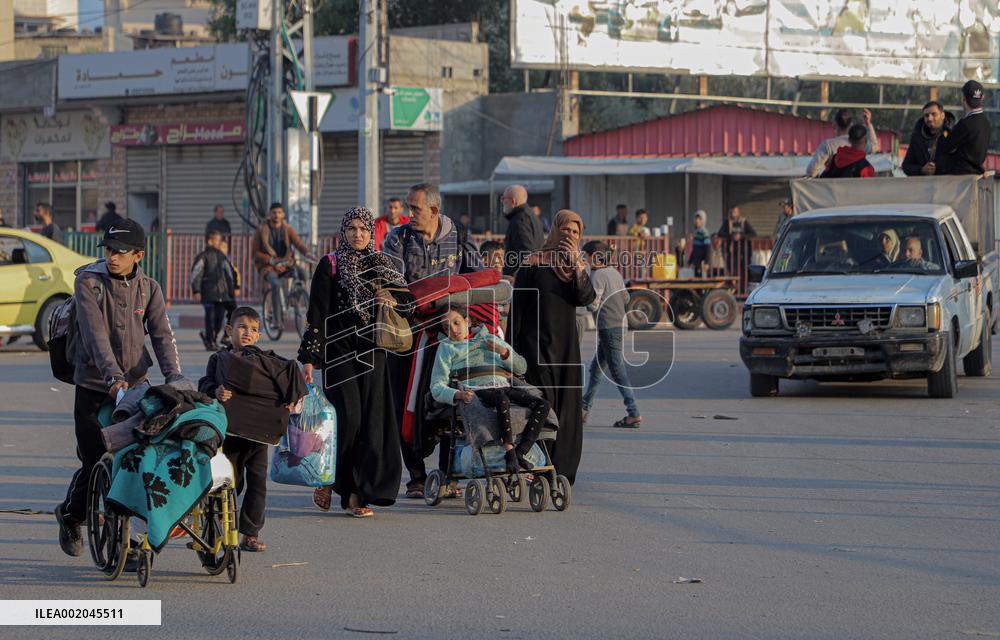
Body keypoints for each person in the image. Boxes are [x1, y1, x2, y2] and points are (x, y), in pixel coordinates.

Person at [55, 218, 183, 559]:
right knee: (95, 458)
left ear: (138, 254)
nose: (112, 257)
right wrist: (113, 380)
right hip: (94, 386)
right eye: (109, 250)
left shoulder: (149, 288)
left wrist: (176, 379)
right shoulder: (89, 283)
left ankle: (122, 543)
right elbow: (96, 337)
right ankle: (70, 515)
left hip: (136, 387)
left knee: (132, 462)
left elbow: (162, 337)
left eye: (121, 252)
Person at [299, 207, 414, 517]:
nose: (358, 233)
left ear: (371, 233)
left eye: (363, 228)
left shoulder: (383, 265)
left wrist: (389, 298)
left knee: (370, 422)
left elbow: (409, 303)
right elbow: (317, 314)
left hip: (373, 352)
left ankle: (356, 496)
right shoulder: (330, 265)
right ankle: (330, 479)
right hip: (339, 353)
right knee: (347, 419)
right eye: (351, 228)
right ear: (343, 231)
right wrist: (309, 358)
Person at [382, 183, 481, 499]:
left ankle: (449, 474)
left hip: (448, 337)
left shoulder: (460, 237)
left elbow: (477, 278)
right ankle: (416, 477)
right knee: (405, 403)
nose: (408, 214)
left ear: (435, 211)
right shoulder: (397, 238)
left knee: (449, 403)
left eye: (415, 208)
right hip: (406, 337)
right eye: (408, 207)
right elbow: (394, 282)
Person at [198, 306, 306, 552]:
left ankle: (250, 533)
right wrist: (215, 391)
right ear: (229, 331)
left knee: (258, 483)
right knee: (231, 481)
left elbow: (289, 380)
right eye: (242, 327)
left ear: (259, 336)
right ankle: (218, 525)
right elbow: (204, 384)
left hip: (259, 436)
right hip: (230, 434)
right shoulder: (218, 359)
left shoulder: (268, 361)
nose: (247, 333)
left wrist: (291, 399)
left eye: (253, 330)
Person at [510, 210, 596, 485]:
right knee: (543, 409)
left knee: (568, 411)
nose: (569, 236)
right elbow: (518, 311)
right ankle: (539, 468)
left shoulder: (575, 268)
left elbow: (585, 298)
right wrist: (511, 352)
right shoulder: (533, 263)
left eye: (575, 232)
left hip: (566, 351)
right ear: (555, 230)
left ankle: (562, 473)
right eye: (565, 230)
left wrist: (578, 267)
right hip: (535, 350)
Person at [431, 306, 550, 473]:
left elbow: (522, 367)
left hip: (502, 384)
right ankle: (509, 452)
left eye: (456, 323)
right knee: (502, 400)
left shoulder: (490, 339)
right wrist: (457, 394)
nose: (453, 330)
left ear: (468, 321)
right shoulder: (447, 348)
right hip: (476, 388)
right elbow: (436, 386)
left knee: (543, 404)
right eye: (446, 327)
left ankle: (521, 451)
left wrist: (503, 352)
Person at [580, 241, 642, 429]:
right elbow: (626, 298)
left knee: (617, 371)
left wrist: (583, 290)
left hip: (609, 328)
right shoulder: (615, 273)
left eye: (586, 256)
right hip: (620, 325)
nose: (585, 260)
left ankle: (634, 413)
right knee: (596, 369)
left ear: (594, 257)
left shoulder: (597, 275)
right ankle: (583, 409)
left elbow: (593, 305)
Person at [191, 230, 240, 351]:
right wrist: (196, 290)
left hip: (222, 294)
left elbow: (230, 273)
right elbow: (196, 273)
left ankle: (213, 337)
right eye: (217, 240)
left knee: (219, 318)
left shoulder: (222, 257)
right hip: (208, 293)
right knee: (210, 317)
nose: (219, 243)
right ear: (210, 241)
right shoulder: (203, 257)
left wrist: (232, 289)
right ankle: (210, 341)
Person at [252, 202, 312, 297]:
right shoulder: (261, 230)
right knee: (276, 284)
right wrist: (270, 260)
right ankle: (278, 312)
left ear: (283, 214)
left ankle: (294, 300)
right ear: (269, 214)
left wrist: (307, 253)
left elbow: (298, 243)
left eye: (279, 212)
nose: (277, 215)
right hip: (268, 267)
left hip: (286, 264)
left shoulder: (288, 229)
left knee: (303, 274)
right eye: (274, 212)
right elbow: (255, 253)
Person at [935, 80, 991, 176]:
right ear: (982, 98)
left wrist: (944, 132)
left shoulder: (966, 123)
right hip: (976, 174)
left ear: (963, 98)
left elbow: (945, 147)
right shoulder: (986, 122)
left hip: (960, 177)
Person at [805, 108, 880, 178]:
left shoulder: (828, 145)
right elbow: (875, 146)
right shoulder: (859, 143)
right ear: (851, 125)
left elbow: (811, 172)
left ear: (834, 125)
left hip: (834, 190)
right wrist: (868, 123)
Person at [501, 184, 544, 279]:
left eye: (503, 198)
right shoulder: (532, 217)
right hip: (533, 275)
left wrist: (517, 276)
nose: (502, 201)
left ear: (513, 201)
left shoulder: (519, 220)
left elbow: (526, 252)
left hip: (522, 280)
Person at [902, 101, 955, 176]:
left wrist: (941, 169)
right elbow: (906, 166)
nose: (930, 118)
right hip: (924, 185)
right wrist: (921, 170)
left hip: (948, 184)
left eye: (934, 114)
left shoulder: (953, 135)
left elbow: (961, 163)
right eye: (926, 115)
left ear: (942, 115)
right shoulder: (917, 138)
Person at [689, 210, 711, 277]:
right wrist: (690, 261)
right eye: (696, 218)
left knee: (701, 280)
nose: (697, 221)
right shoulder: (696, 232)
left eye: (700, 219)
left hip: (702, 262)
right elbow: (695, 249)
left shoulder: (704, 232)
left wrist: (707, 262)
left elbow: (707, 248)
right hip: (696, 262)